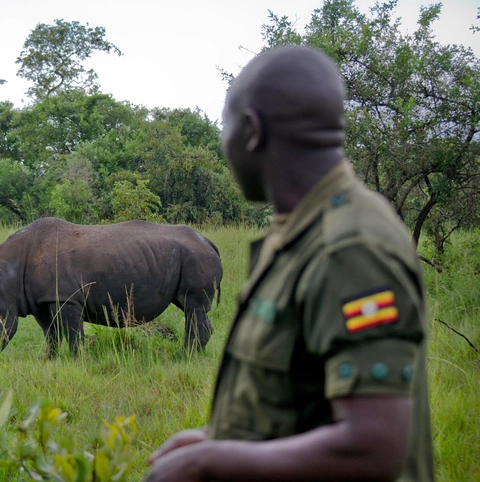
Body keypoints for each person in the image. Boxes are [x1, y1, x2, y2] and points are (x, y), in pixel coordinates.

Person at [144, 46, 434, 481]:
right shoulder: (303, 230)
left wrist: (210, 463)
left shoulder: (349, 248)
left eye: (225, 126)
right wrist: (219, 439)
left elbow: (373, 447)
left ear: (253, 131)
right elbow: (302, 400)